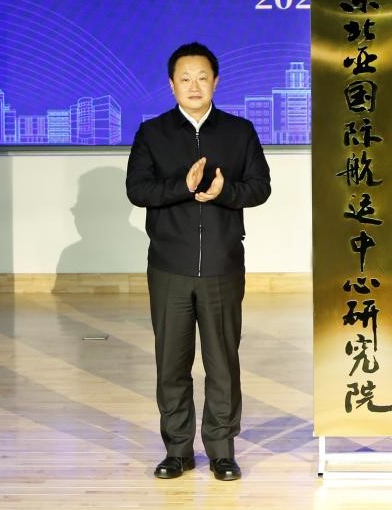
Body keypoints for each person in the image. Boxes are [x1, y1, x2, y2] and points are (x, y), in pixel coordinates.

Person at [126, 42, 271, 482]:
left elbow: (260, 188)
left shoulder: (239, 131)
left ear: (216, 82)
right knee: (172, 364)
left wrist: (224, 193)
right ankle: (177, 451)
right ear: (171, 85)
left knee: (223, 363)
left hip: (223, 267)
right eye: (185, 78)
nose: (194, 86)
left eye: (202, 77)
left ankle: (222, 451)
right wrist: (183, 186)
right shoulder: (152, 133)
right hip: (169, 267)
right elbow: (138, 190)